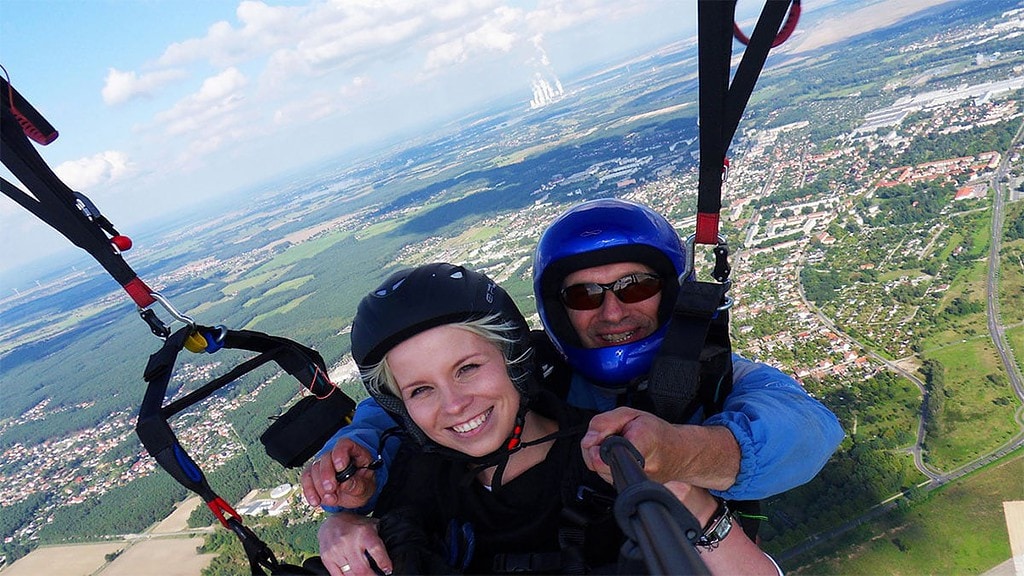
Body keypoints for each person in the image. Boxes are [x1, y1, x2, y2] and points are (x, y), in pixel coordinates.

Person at [302, 199, 843, 571]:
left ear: (670, 292)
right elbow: (406, 404)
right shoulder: (527, 369)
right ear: (555, 311)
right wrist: (351, 478)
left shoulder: (717, 378)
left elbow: (806, 430)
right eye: (584, 296)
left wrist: (680, 454)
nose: (613, 312)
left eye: (636, 286)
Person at [327, 262, 779, 575]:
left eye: (467, 369)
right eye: (421, 390)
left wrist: (688, 498)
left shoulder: (616, 455)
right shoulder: (407, 481)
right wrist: (347, 530)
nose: (454, 405)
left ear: (514, 360)